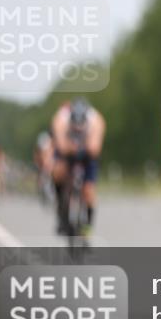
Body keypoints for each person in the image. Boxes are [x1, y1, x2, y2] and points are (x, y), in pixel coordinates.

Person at [51, 98, 106, 236]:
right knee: (58, 172)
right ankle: (61, 206)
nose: (77, 129)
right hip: (67, 150)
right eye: (75, 125)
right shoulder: (61, 118)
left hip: (87, 153)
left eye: (80, 126)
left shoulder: (96, 120)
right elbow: (61, 147)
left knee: (88, 190)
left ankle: (88, 225)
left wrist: (85, 147)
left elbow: (95, 149)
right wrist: (70, 147)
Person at [33, 130, 55, 203]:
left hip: (48, 163)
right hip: (42, 163)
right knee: (42, 175)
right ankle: (43, 190)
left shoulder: (52, 143)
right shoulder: (44, 141)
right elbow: (39, 154)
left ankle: (49, 191)